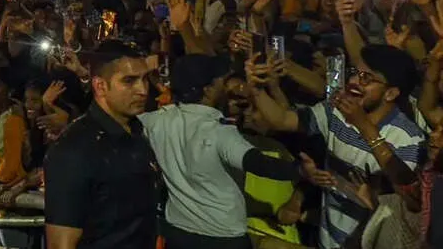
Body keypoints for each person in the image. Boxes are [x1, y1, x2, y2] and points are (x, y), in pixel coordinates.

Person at [251, 44, 426, 248]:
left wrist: (363, 124)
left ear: (390, 93)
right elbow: (281, 119)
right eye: (354, 73)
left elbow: (410, 206)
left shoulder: (409, 140)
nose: (354, 82)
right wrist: (255, 88)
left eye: (366, 78)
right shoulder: (337, 112)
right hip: (328, 240)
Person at [140, 54, 300, 249]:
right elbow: (257, 163)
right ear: (207, 90)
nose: (224, 86)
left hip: (178, 231)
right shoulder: (219, 131)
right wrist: (300, 170)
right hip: (223, 236)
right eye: (219, 82)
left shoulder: (157, 121)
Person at [43, 40, 160, 249]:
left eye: (144, 79)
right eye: (129, 81)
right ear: (100, 86)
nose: (142, 90)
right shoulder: (73, 150)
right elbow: (61, 244)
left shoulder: (139, 133)